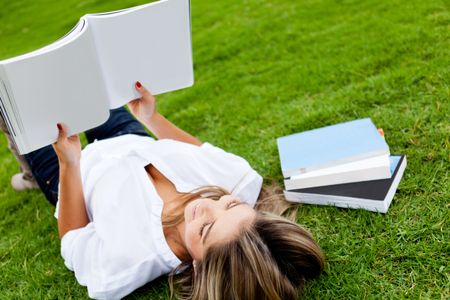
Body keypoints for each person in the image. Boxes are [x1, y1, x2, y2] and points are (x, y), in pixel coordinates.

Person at [1, 82, 325, 299]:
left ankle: (30, 172)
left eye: (207, 228)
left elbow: (73, 238)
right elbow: (199, 153)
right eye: (230, 205)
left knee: (17, 97)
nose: (207, 206)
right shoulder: (241, 181)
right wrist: (151, 119)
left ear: (199, 267)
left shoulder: (122, 267)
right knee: (79, 82)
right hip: (129, 137)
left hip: (70, 174)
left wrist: (70, 164)